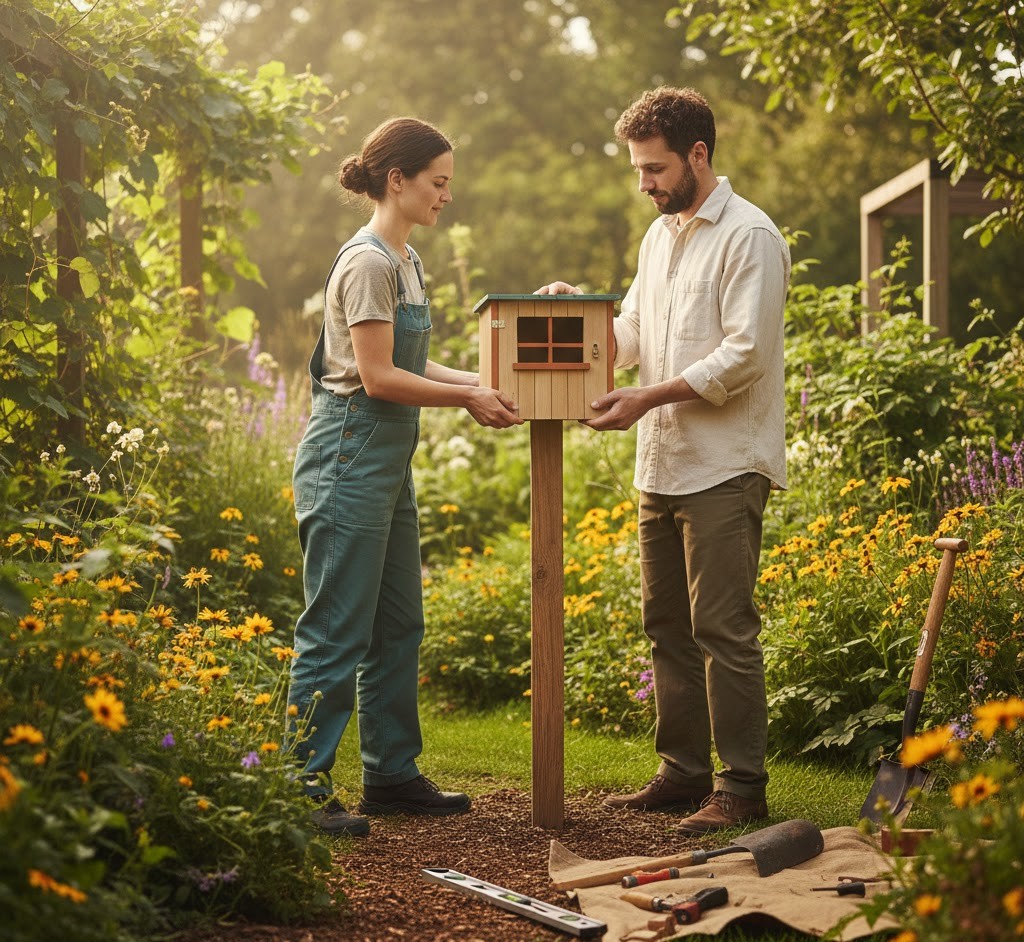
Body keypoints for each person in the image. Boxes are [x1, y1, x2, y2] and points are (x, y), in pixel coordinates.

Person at [536, 87, 790, 834]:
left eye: (654, 168)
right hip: (663, 464)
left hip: (725, 463)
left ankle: (742, 787)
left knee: (722, 628)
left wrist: (647, 397)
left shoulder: (750, 236)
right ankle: (683, 773)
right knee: (666, 625)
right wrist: (580, 315)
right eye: (638, 170)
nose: (643, 183)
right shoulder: (659, 236)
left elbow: (745, 355)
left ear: (697, 155)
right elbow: (635, 333)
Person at [288, 117, 522, 837]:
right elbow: (379, 378)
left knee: (398, 623)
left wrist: (482, 380)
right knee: (337, 626)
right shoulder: (367, 263)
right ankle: (297, 788)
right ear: (398, 180)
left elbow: (411, 362)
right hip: (348, 455)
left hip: (388, 463)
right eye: (438, 182)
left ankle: (390, 775)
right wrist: (468, 399)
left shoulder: (407, 259)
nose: (447, 195)